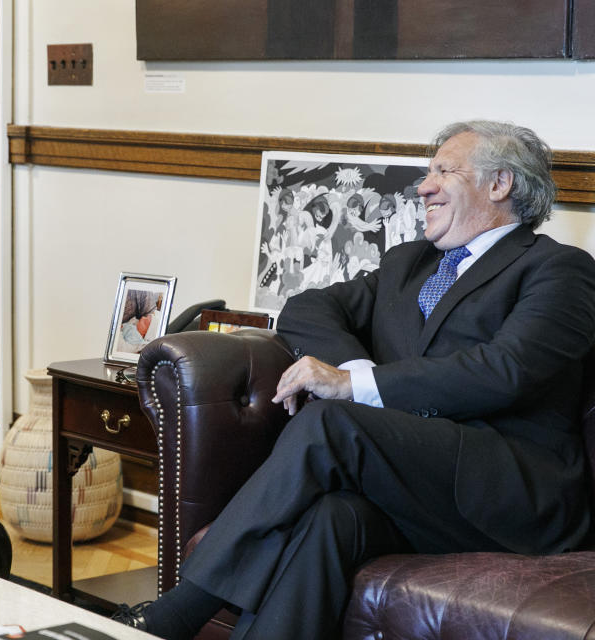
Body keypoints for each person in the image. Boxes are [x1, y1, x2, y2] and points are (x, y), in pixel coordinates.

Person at [116, 120, 595, 639]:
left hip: (509, 489)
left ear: (499, 184)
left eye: (443, 171)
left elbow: (506, 372)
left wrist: (354, 389)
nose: (424, 186)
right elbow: (306, 309)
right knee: (332, 518)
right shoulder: (408, 263)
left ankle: (178, 611)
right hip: (415, 483)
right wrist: (355, 371)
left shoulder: (557, 270)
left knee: (332, 423)